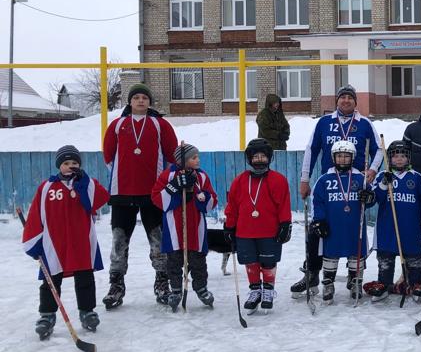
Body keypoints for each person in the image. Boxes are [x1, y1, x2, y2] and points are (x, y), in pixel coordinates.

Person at [292, 84, 382, 298]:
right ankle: (312, 273)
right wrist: (304, 179)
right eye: (342, 97)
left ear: (355, 102)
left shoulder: (364, 123)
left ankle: (355, 276)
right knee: (318, 230)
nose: (346, 101)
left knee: (355, 232)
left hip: (354, 185)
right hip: (330, 184)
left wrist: (372, 169)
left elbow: (379, 149)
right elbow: (311, 149)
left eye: (350, 98)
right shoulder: (324, 122)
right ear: (337, 101)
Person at [101, 82, 178, 309]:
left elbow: (172, 154)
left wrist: (165, 182)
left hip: (153, 193)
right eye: (136, 98)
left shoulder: (160, 124)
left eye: (145, 97)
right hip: (122, 192)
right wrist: (119, 176)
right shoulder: (117, 125)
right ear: (130, 101)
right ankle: (116, 285)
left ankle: (162, 282)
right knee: (118, 240)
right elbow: (108, 154)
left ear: (150, 102)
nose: (141, 101)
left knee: (158, 239)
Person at [23, 145, 110, 340]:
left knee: (85, 278)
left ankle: (87, 311)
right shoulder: (47, 187)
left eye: (75, 163)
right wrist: (34, 241)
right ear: (58, 165)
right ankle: (47, 315)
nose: (71, 166)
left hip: (81, 241)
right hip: (54, 243)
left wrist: (84, 180)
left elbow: (101, 198)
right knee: (50, 279)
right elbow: (36, 214)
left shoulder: (86, 184)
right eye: (66, 163)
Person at [224, 139, 292, 314]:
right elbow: (232, 206)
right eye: (256, 156)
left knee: (268, 262)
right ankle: (255, 291)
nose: (259, 160)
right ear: (249, 159)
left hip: (269, 231)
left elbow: (283, 205)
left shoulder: (278, 180)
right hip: (245, 231)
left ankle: (268, 291)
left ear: (269, 158)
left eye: (263, 156)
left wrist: (285, 224)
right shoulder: (239, 181)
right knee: (251, 262)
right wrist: (229, 226)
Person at [151, 142, 218, 311]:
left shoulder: (201, 176)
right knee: (174, 261)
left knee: (198, 260)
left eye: (198, 157)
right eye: (194, 157)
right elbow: (157, 198)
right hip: (174, 227)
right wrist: (174, 187)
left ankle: (201, 287)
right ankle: (175, 290)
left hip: (195, 226)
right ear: (183, 160)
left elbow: (212, 198)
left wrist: (201, 197)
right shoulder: (168, 175)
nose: (198, 160)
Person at [311, 140, 375, 303]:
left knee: (356, 254)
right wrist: (319, 220)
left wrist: (368, 197)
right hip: (333, 225)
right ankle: (328, 284)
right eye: (339, 156)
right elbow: (317, 201)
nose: (343, 159)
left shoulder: (360, 178)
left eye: (346, 156)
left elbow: (371, 198)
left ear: (352, 157)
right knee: (330, 255)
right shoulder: (325, 179)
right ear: (333, 157)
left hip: (355, 225)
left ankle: (355, 283)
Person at [368, 140, 421, 300]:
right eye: (395, 156)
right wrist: (383, 185)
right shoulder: (382, 176)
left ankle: (416, 284)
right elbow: (374, 199)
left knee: (414, 258)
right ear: (389, 158)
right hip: (388, 227)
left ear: (409, 158)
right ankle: (384, 285)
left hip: (410, 227)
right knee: (385, 259)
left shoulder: (416, 177)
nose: (399, 159)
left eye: (403, 156)